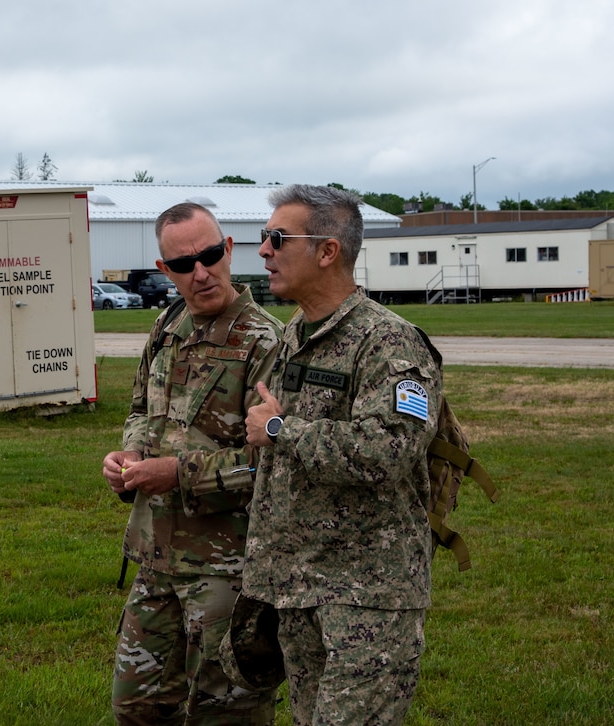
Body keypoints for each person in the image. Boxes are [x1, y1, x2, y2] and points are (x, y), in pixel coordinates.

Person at [243, 184, 442, 725]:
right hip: (298, 588)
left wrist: (281, 428)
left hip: (368, 597)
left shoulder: (389, 342)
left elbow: (389, 449)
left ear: (328, 251)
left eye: (278, 238)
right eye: (265, 237)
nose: (263, 250)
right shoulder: (293, 337)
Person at [103, 202, 283, 725]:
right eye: (183, 264)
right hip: (156, 555)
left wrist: (175, 474)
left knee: (225, 712)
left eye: (209, 255)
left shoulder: (264, 342)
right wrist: (129, 456)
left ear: (229, 250)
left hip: (228, 569)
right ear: (165, 271)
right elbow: (143, 408)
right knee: (136, 706)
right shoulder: (167, 325)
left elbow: (268, 465)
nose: (200, 272)